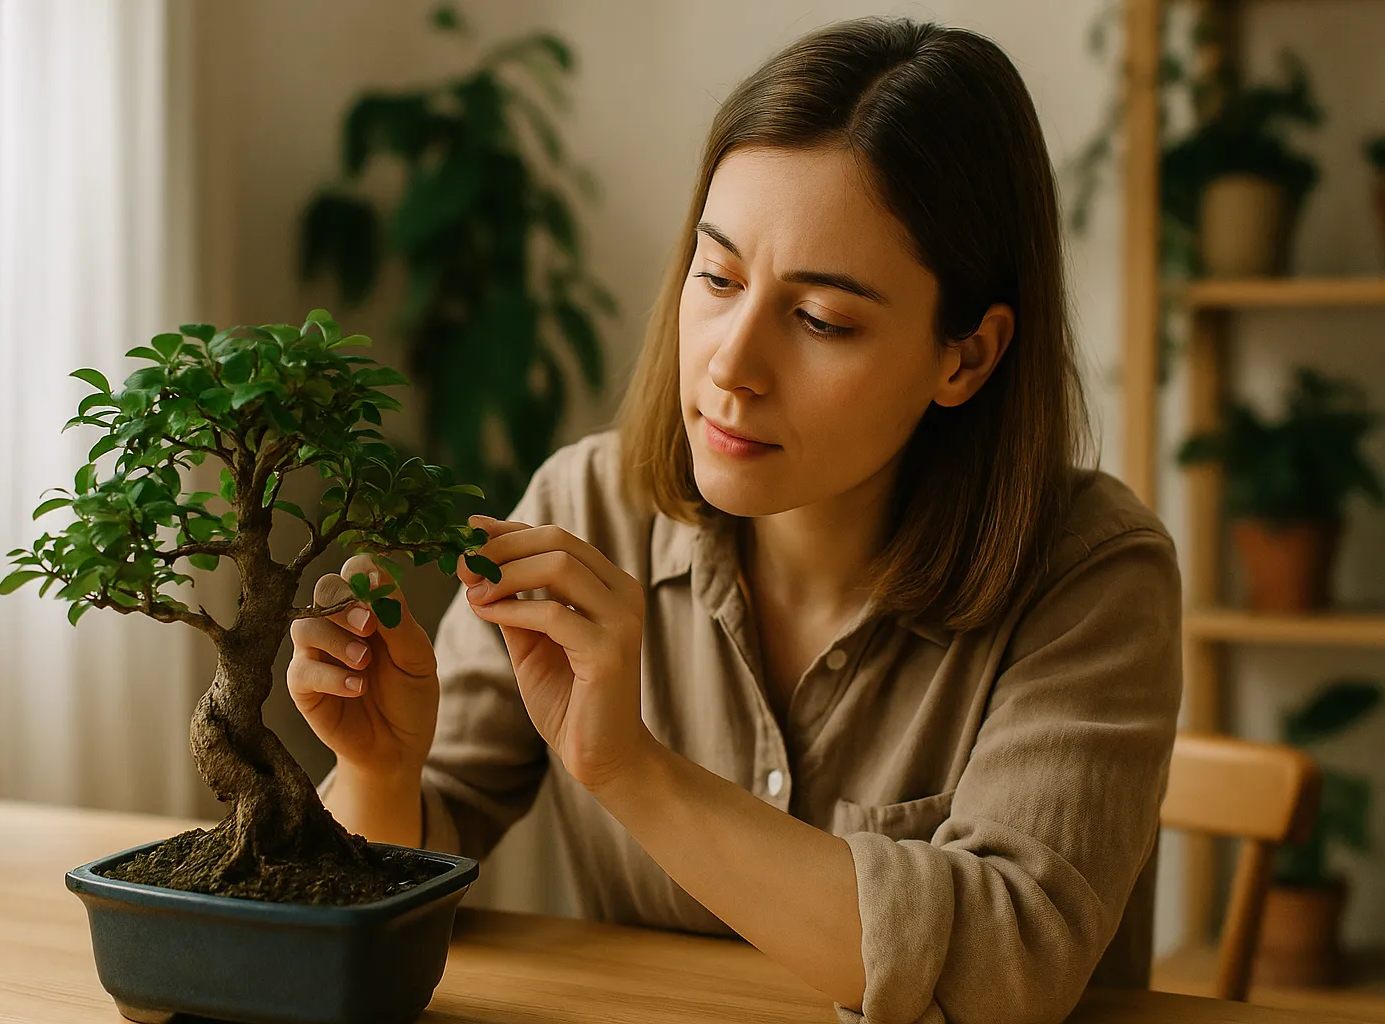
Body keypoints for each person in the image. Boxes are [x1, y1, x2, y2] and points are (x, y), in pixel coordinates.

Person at [288, 17, 1181, 1024]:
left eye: (822, 321)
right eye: (717, 278)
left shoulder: (1090, 575)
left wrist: (634, 770)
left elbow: (1005, 961)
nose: (731, 364)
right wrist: (379, 766)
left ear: (964, 357)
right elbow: (410, 859)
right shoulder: (585, 510)